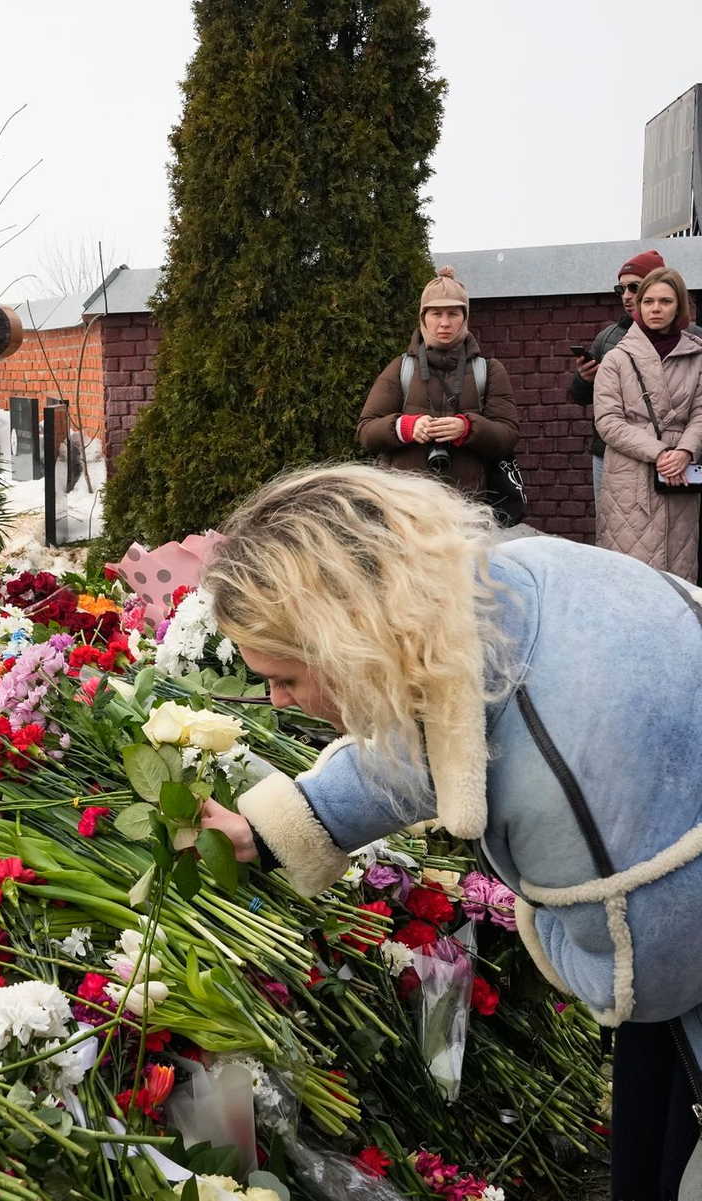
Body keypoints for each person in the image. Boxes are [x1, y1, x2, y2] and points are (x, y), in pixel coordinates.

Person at [197, 463, 702, 1199]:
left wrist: (556, 934)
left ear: (350, 644)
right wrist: (270, 830)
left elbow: (643, 969)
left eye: (285, 676)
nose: (279, 701)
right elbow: (448, 721)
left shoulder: (557, 751)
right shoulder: (495, 587)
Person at [358, 266, 519, 501]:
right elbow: (366, 432)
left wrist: (468, 429)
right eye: (435, 313)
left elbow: (508, 435)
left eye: (453, 313)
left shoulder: (489, 371)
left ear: (465, 317)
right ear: (423, 318)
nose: (444, 323)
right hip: (406, 506)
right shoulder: (400, 369)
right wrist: (405, 428)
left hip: (468, 506)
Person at [592, 266, 702, 579]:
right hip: (631, 478)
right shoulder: (617, 357)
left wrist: (685, 451)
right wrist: (660, 452)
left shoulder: (696, 355)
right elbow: (608, 421)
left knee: (679, 575)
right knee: (629, 576)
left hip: (680, 478)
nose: (656, 308)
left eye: (665, 301)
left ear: (679, 305)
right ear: (639, 306)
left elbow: (700, 412)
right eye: (648, 301)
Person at [567, 249, 666, 507]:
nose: (627, 296)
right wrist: (584, 378)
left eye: (634, 287)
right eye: (620, 289)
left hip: (665, 451)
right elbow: (580, 398)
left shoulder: (688, 337)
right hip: (609, 452)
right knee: (610, 528)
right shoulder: (607, 337)